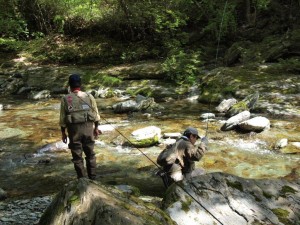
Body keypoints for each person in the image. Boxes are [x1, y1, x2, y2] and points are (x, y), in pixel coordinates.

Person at [59, 74, 101, 180]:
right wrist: (96, 128)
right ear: (80, 84)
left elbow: (62, 118)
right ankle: (93, 178)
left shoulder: (65, 99)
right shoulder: (89, 96)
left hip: (74, 132)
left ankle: (82, 180)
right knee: (90, 154)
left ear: (70, 85)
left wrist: (63, 132)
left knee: (77, 156)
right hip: (88, 129)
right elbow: (96, 114)